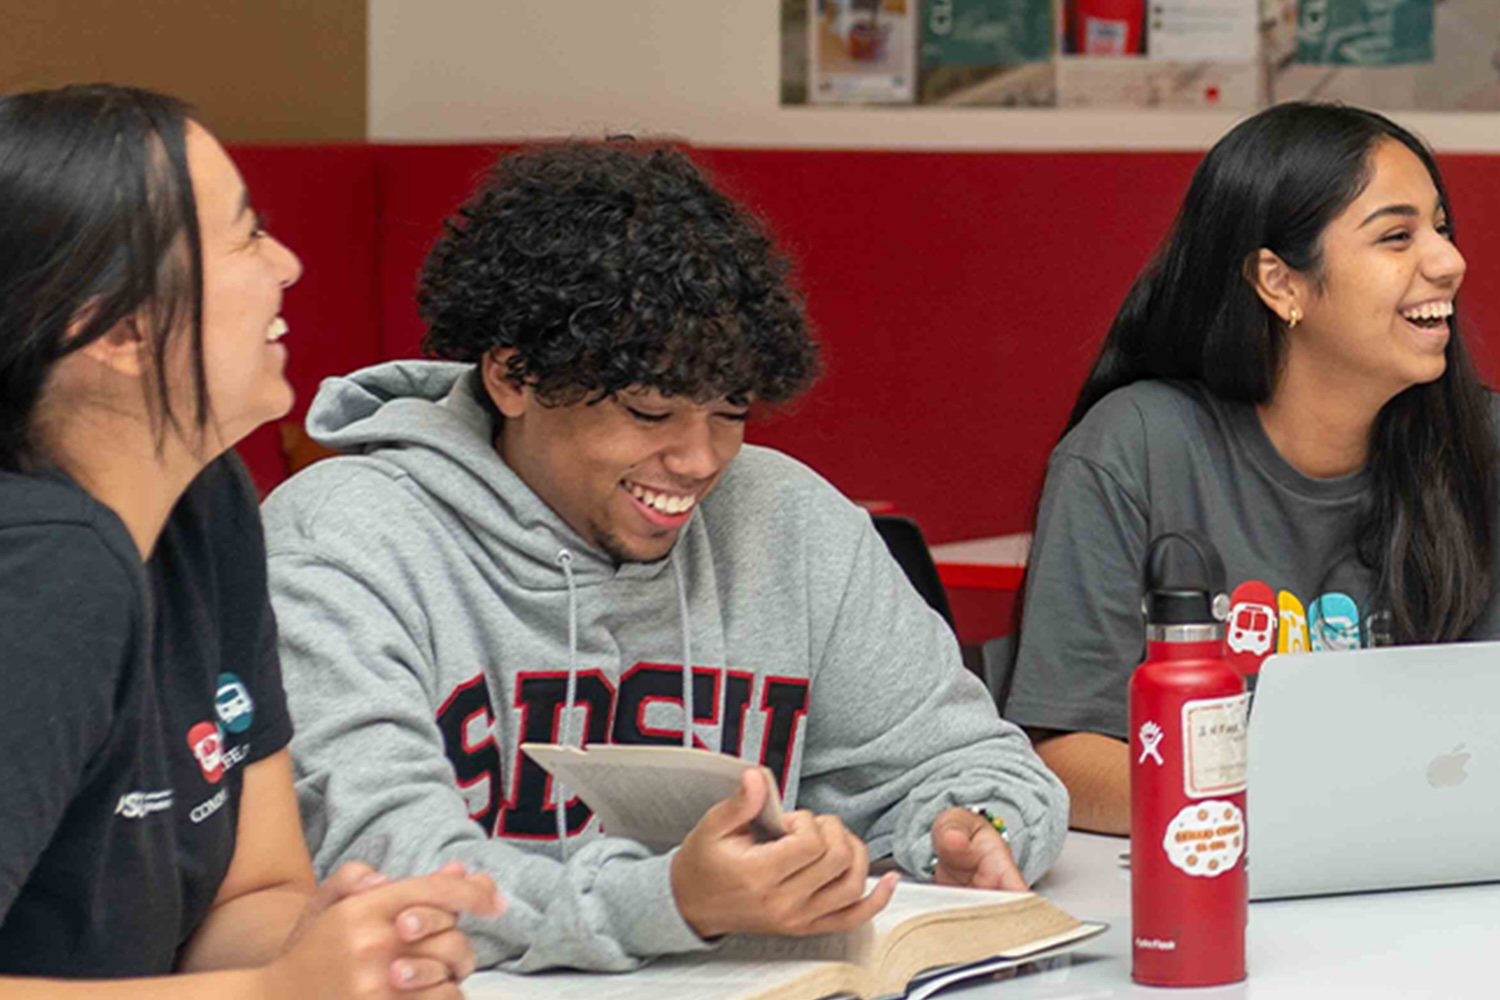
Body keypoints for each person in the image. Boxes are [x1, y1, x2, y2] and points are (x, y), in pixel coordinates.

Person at [263, 140, 1069, 973]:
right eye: (650, 412)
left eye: (729, 411)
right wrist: (670, 901)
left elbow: (970, 759)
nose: (700, 460)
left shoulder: (789, 518)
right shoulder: (347, 536)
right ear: (512, 377)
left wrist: (974, 827)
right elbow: (384, 864)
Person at [0, 84, 503, 995]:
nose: (287, 262)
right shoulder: (43, 567)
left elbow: (254, 891)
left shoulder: (207, 498)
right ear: (119, 327)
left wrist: (346, 953)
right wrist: (268, 993)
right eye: (244, 232)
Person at [1005, 102, 1500, 835]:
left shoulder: (1482, 446)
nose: (1449, 262)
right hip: (1212, 875)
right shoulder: (1136, 448)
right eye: (1397, 236)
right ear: (1279, 282)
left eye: (1441, 228)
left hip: (1442, 889)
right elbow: (1068, 758)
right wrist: (1302, 814)